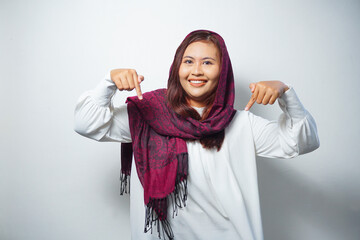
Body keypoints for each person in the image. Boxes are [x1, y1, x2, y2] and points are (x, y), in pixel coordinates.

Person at [74, 30, 320, 240]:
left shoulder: (241, 124)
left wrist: (285, 92)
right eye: (189, 61)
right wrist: (109, 82)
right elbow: (86, 124)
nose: (197, 71)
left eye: (208, 63)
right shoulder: (146, 114)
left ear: (222, 72)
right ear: (177, 67)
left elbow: (302, 141)